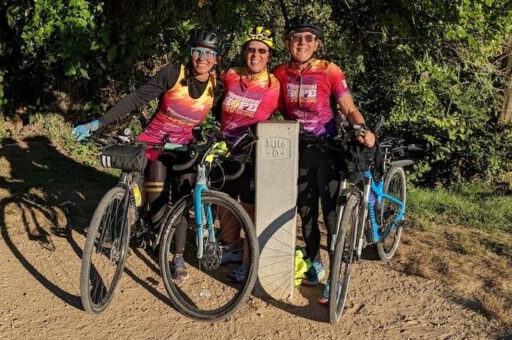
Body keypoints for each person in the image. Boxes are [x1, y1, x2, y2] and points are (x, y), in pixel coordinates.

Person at [72, 28, 223, 281]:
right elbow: (137, 98)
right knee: (156, 201)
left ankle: (176, 256)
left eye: (209, 53)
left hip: (184, 149)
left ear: (216, 58)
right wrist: (98, 123)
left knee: (183, 201)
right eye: (197, 51)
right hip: (154, 145)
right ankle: (151, 236)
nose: (202, 58)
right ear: (190, 52)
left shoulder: (216, 86)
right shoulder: (174, 73)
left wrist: (223, 138)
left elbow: (224, 116)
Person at [273, 15, 375, 304]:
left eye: (308, 38)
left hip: (329, 150)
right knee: (305, 212)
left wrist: (363, 130)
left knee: (331, 216)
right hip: (299, 150)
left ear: (317, 43)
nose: (302, 43)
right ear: (287, 42)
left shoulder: (329, 70)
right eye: (296, 38)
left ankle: (336, 276)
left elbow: (349, 107)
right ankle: (314, 264)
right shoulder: (280, 73)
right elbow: (272, 107)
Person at [214, 25, 281, 283]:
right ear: (244, 52)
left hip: (253, 153)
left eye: (262, 51)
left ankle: (248, 260)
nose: (256, 55)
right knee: (222, 199)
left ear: (269, 55)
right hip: (225, 149)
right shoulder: (230, 75)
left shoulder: (275, 85)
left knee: (249, 206)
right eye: (251, 49)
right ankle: (231, 248)